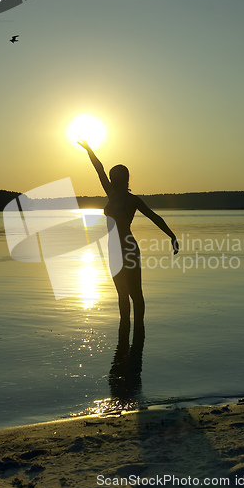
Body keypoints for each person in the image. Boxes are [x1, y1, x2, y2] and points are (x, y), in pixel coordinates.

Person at [78, 140, 179, 349]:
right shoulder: (111, 194)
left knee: (135, 294)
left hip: (128, 248)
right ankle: (124, 336)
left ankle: (139, 333)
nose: (112, 179)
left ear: (123, 178)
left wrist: (172, 236)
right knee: (122, 295)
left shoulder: (133, 200)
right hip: (113, 249)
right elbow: (99, 169)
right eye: (112, 176)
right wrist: (89, 150)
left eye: (116, 176)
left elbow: (154, 217)